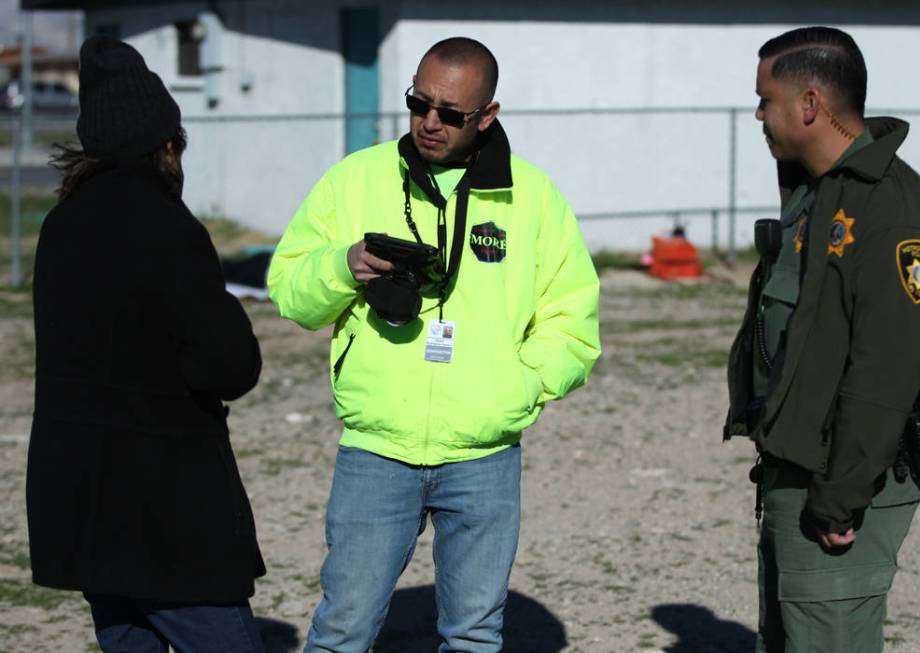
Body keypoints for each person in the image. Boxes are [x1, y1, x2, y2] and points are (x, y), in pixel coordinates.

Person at [268, 37, 600, 653]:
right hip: (376, 449)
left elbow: (572, 322)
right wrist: (343, 267)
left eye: (451, 113)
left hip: (484, 453)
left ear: (487, 116)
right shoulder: (355, 178)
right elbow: (289, 292)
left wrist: (518, 388)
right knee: (342, 629)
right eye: (419, 103)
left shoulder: (533, 198)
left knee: (474, 635)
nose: (429, 122)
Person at [724, 27, 920, 652]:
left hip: (838, 484)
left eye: (764, 99)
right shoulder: (817, 193)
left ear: (809, 105)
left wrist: (839, 499)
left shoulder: (894, 214)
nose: (757, 114)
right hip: (799, 470)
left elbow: (884, 376)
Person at [27, 36, 266, 652]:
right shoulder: (167, 227)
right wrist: (232, 316)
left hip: (83, 501)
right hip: (168, 511)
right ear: (165, 145)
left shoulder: (61, 226)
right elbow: (227, 365)